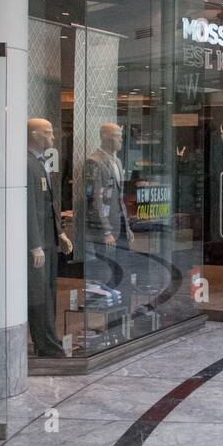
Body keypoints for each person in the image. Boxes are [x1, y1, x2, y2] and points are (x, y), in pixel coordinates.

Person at [26, 118, 73, 357]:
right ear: (35, 135)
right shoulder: (27, 164)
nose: (53, 138)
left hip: (49, 240)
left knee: (49, 291)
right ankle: (45, 344)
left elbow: (49, 204)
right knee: (39, 294)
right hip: (38, 243)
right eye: (48, 133)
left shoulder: (41, 163)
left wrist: (61, 232)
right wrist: (34, 244)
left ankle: (50, 340)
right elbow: (29, 208)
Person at [86, 123, 135, 309]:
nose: (121, 140)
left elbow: (119, 197)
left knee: (124, 268)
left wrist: (127, 226)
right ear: (106, 137)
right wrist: (105, 231)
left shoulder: (118, 161)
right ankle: (112, 313)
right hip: (107, 229)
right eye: (117, 136)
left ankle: (124, 313)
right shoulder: (95, 161)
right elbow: (95, 200)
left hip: (119, 223)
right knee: (109, 269)